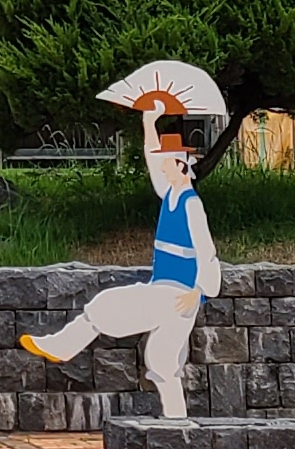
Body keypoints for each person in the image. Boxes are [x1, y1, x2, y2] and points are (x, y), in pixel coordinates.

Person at [18, 101, 221, 421]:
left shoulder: (191, 205)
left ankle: (64, 345)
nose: (162, 168)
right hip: (166, 289)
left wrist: (199, 291)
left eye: (167, 163)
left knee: (111, 308)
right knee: (163, 361)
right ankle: (178, 425)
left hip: (178, 294)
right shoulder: (171, 195)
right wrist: (149, 123)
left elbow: (206, 250)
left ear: (181, 166)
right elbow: (153, 160)